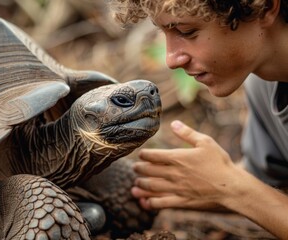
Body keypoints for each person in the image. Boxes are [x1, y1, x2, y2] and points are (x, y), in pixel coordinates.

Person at [108, 0, 288, 239]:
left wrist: (233, 189)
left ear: (265, 8)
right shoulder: (264, 83)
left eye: (186, 32)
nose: (171, 59)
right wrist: (200, 185)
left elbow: (246, 189)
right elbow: (265, 183)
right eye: (164, 32)